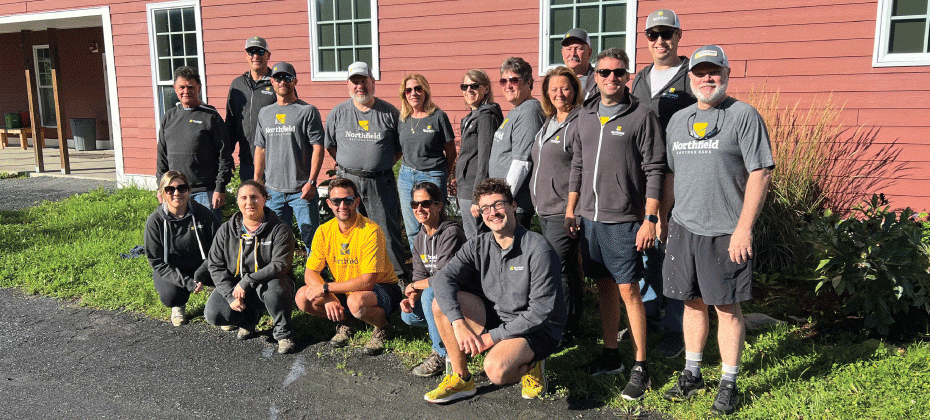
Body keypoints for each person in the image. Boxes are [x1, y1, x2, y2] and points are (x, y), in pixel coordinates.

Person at [661, 45, 773, 416]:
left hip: (725, 230)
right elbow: (672, 176)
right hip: (683, 227)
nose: (707, 78)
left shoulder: (744, 116)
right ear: (689, 77)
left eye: (714, 71)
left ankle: (729, 381)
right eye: (699, 72)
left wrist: (744, 229)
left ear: (726, 73)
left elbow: (761, 172)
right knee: (691, 302)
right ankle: (692, 372)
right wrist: (663, 217)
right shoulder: (679, 120)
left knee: (726, 308)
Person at [564, 48, 665, 400]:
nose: (611, 78)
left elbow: (655, 170)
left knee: (629, 291)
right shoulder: (585, 115)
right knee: (604, 287)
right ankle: (611, 355)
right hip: (588, 220)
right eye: (605, 72)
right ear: (596, 76)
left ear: (627, 76)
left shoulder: (642, 115)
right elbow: (577, 163)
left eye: (618, 72)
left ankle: (641, 365)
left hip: (623, 220)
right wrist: (571, 209)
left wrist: (650, 218)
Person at [424, 178, 564, 403]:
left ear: (513, 206)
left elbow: (540, 311)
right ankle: (461, 379)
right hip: (497, 316)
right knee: (439, 303)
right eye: (486, 208)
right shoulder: (478, 244)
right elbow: (442, 279)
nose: (493, 213)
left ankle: (533, 364)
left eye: (498, 205)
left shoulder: (538, 249)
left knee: (496, 370)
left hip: (536, 329)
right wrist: (458, 322)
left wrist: (492, 338)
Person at [629, 9, 697, 358]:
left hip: (679, 178)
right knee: (645, 250)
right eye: (652, 35)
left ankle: (675, 328)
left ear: (678, 36)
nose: (659, 41)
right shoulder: (639, 80)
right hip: (643, 177)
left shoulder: (690, 77)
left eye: (666, 33)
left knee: (673, 251)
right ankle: (649, 314)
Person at [295, 177, 403, 356]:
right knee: (302, 297)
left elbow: (367, 282)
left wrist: (325, 288)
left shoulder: (371, 231)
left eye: (348, 200)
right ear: (329, 203)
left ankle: (383, 327)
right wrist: (329, 297)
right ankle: (349, 321)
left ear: (357, 202)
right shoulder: (324, 231)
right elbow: (310, 272)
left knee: (356, 302)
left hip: (381, 288)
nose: (342, 205)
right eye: (337, 201)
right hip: (344, 286)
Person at [324, 61, 410, 285]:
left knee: (386, 230)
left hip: (380, 181)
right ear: (348, 85)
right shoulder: (338, 113)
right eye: (355, 82)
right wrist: (347, 165)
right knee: (350, 228)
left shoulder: (389, 112)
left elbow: (400, 148)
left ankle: (396, 278)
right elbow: (331, 145)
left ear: (373, 82)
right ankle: (355, 277)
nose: (359, 86)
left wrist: (380, 163)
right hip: (347, 180)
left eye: (364, 81)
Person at [204, 180, 297, 354]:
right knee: (213, 314)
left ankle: (283, 333)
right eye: (244, 198)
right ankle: (248, 321)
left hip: (269, 283)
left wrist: (248, 280)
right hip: (237, 286)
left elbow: (280, 264)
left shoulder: (279, 229)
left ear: (264, 199)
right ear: (238, 201)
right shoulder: (226, 230)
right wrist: (230, 296)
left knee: (276, 289)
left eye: (254, 197)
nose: (249, 202)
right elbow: (215, 265)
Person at [530, 66, 584, 345]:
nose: (559, 94)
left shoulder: (578, 121)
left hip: (564, 208)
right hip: (545, 207)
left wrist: (571, 210)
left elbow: (579, 166)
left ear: (574, 89)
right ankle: (573, 321)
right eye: (553, 89)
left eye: (564, 88)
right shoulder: (548, 120)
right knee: (568, 268)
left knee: (557, 267)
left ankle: (564, 327)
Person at [253, 62, 324, 254]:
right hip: (273, 191)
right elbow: (260, 149)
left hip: (301, 190)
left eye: (287, 77)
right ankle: (283, 279)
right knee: (276, 242)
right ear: (271, 82)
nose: (282, 81)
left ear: (295, 81)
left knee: (312, 241)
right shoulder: (265, 113)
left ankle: (316, 279)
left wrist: (312, 181)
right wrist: (258, 182)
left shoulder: (307, 111)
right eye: (278, 78)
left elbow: (318, 147)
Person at [401, 181, 466, 377]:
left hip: (463, 295)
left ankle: (443, 353)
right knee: (409, 315)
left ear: (439, 206)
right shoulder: (420, 237)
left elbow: (443, 278)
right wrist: (412, 296)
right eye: (415, 204)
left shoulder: (451, 232)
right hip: (440, 296)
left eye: (426, 204)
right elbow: (420, 275)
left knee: (431, 292)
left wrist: (413, 286)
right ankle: (452, 338)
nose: (419, 209)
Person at [156, 66, 233, 222]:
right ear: (175, 88)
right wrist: (162, 187)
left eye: (190, 87)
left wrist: (219, 188)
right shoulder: (169, 118)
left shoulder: (211, 116)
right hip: (175, 192)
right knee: (180, 237)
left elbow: (224, 156)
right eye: (182, 87)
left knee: (210, 239)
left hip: (205, 192)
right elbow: (162, 157)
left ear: (198, 87)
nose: (186, 91)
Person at [144, 171, 220, 326]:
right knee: (170, 296)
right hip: (172, 268)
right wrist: (187, 282)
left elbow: (219, 248)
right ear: (162, 193)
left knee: (230, 275)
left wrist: (201, 272)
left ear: (188, 190)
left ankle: (223, 308)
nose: (176, 193)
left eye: (181, 188)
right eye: (170, 189)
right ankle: (178, 305)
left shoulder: (203, 214)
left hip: (203, 265)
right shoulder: (155, 222)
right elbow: (157, 262)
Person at [396, 74, 457, 250]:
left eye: (418, 88)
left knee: (434, 225)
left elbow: (451, 151)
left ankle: (438, 266)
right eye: (408, 90)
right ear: (404, 94)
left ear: (425, 91)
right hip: (407, 177)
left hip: (433, 175)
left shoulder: (438, 116)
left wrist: (445, 173)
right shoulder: (402, 119)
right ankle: (419, 268)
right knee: (412, 227)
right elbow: (399, 149)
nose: (413, 93)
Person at [489, 57, 544, 229]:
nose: (508, 85)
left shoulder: (529, 111)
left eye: (514, 80)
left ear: (528, 83)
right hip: (504, 202)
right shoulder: (516, 110)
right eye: (503, 81)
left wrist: (502, 202)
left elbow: (522, 163)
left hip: (514, 206)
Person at [454, 69, 503, 238]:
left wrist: (477, 196)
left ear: (486, 89)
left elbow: (484, 159)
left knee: (477, 240)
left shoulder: (486, 117)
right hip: (465, 188)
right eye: (464, 86)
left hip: (473, 191)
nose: (469, 90)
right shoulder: (471, 117)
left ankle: (481, 266)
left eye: (474, 86)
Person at [225, 36, 277, 182]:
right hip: (248, 161)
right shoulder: (237, 85)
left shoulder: (278, 82)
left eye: (260, 51)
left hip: (274, 162)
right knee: (251, 204)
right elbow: (231, 124)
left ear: (268, 55)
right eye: (251, 52)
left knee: (274, 204)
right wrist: (228, 155)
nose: (255, 56)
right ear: (245, 55)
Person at [560, 28, 599, 100]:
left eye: (578, 48)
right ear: (562, 53)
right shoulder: (556, 81)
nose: (573, 54)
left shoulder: (600, 81)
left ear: (589, 52)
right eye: (569, 49)